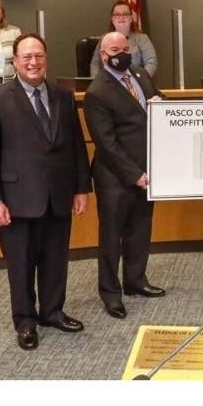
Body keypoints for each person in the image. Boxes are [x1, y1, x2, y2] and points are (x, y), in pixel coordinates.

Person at [0, 33, 92, 351]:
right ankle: (25, 322)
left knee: (56, 259)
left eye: (38, 55)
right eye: (26, 56)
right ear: (14, 61)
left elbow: (77, 146)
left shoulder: (63, 96)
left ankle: (52, 311)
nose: (33, 62)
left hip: (57, 196)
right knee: (21, 265)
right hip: (16, 201)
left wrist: (81, 188)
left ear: (46, 59)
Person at [84, 31, 166, 319]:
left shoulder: (140, 73)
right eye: (114, 49)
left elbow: (158, 103)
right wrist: (134, 175)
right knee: (112, 236)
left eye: (124, 47)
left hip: (148, 170)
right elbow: (106, 144)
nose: (121, 52)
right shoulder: (97, 92)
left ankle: (136, 281)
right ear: (104, 55)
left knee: (140, 229)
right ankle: (110, 293)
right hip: (115, 177)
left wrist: (161, 103)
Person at [89, 0, 158, 78]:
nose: (121, 17)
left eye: (125, 14)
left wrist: (140, 81)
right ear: (112, 19)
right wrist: (97, 84)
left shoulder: (142, 39)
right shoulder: (104, 39)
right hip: (109, 85)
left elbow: (151, 62)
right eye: (117, 14)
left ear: (131, 18)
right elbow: (95, 64)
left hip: (136, 82)